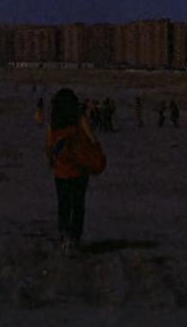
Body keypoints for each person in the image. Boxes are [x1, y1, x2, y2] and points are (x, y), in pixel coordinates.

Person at [45, 88, 106, 257]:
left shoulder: (54, 122)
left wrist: (52, 163)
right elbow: (93, 140)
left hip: (61, 172)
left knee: (64, 205)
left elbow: (49, 147)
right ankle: (75, 239)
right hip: (79, 171)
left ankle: (65, 239)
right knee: (78, 205)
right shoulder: (80, 119)